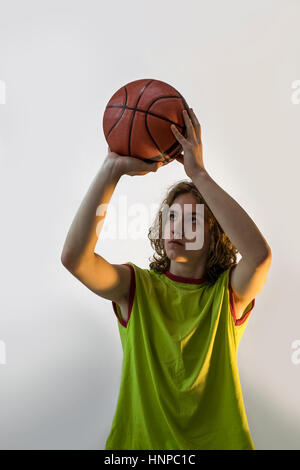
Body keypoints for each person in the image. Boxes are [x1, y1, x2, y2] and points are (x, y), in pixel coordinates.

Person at [61, 107, 272, 450]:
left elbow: (260, 257)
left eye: (192, 220)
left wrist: (199, 174)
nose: (177, 226)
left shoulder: (227, 295)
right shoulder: (136, 288)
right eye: (171, 217)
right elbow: (75, 259)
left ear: (214, 235)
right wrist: (110, 171)